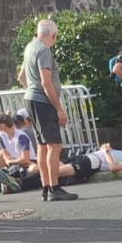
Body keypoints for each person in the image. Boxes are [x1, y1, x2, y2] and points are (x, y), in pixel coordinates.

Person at [17, 18, 76, 202]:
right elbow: (46, 81)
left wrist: (31, 89)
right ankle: (54, 187)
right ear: (53, 35)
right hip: (43, 102)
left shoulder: (30, 47)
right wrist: (59, 108)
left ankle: (46, 187)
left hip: (32, 99)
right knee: (54, 145)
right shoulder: (44, 50)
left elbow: (21, 76)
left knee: (43, 145)